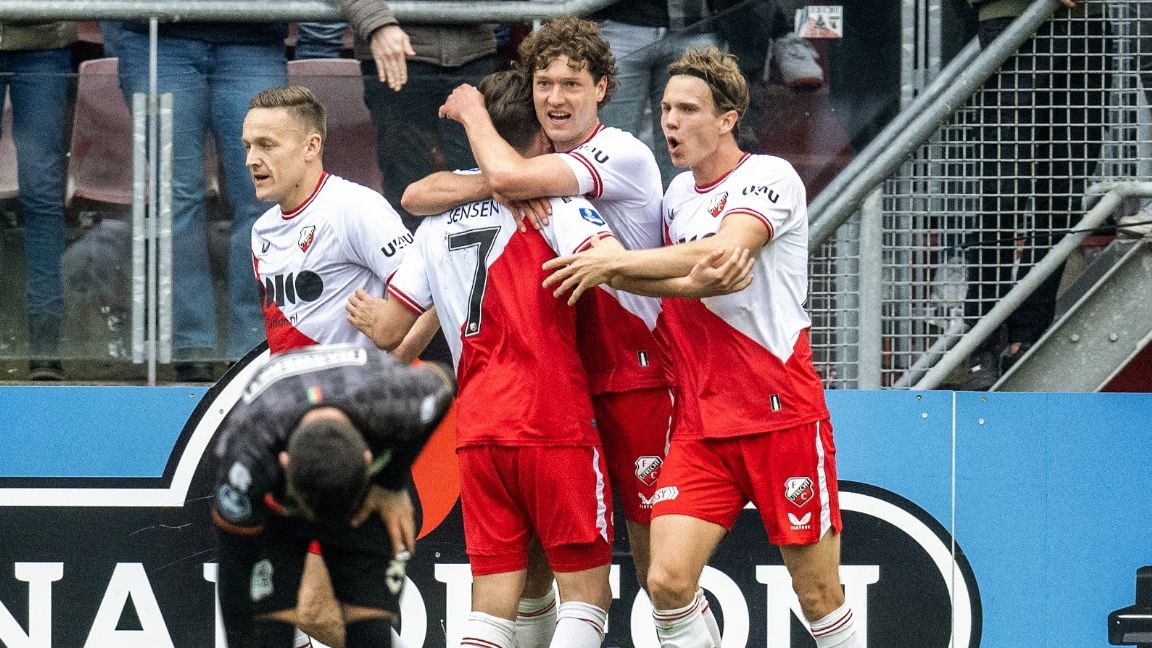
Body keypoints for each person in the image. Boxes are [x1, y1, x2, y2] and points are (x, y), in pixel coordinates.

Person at [541, 47, 861, 648]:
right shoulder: (677, 196)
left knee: (818, 594)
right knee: (665, 581)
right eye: (666, 108)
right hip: (701, 423)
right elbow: (688, 278)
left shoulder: (769, 176)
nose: (671, 121)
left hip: (778, 414)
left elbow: (719, 253)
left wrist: (618, 265)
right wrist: (623, 270)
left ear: (727, 118)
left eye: (688, 109)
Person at [425, 16, 687, 642]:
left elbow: (502, 180)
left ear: (603, 88)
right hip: (563, 388)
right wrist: (493, 182)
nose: (555, 97)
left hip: (638, 381)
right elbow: (420, 192)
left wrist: (474, 115)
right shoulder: (539, 171)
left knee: (661, 577)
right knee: (540, 568)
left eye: (572, 83)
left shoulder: (618, 153)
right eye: (544, 83)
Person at [347, 69, 620, 648]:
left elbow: (391, 329)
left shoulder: (436, 219)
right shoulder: (555, 204)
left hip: (478, 430)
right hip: (553, 420)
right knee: (586, 602)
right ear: (541, 135)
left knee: (492, 611)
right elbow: (612, 265)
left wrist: (365, 313)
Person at [212, 343, 455, 648]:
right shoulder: (247, 455)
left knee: (371, 634)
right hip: (282, 509)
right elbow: (234, 574)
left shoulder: (397, 400)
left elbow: (444, 378)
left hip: (361, 495)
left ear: (367, 458)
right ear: (284, 462)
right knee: (268, 635)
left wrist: (391, 483)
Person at [117, 20, 288, 381]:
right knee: (175, 199)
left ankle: (252, 348)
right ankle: (191, 349)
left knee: (263, 199)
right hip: (158, 37)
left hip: (253, 36)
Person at [961, 0, 1108, 390]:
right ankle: (983, 343)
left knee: (1063, 192)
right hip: (1012, 20)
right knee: (1003, 190)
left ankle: (1028, 333)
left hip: (1084, 24)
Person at [244, 85, 436, 358]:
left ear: (311, 146)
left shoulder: (353, 207)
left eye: (266, 145)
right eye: (248, 146)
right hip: (293, 384)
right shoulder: (261, 231)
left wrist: (392, 365)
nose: (251, 160)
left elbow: (431, 289)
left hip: (356, 384)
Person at [337, 0, 497, 231]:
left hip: (474, 50)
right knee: (406, 188)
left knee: (480, 189)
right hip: (396, 49)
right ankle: (408, 253)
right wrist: (377, 22)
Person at [0, 20, 75, 381]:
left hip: (44, 41)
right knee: (43, 197)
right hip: (43, 41)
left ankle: (44, 348)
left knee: (42, 195)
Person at [591, 0, 721, 185]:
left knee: (688, 159)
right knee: (609, 152)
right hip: (616, 21)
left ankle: (682, 204)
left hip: (694, 24)